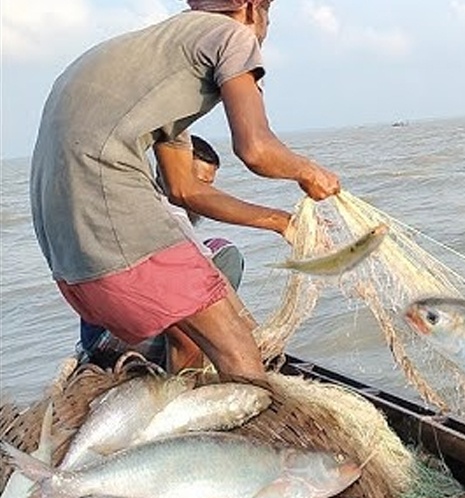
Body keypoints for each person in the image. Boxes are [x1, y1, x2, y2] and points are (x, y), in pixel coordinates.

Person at [30, 0, 340, 385]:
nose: (263, 32)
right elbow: (256, 149)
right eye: (268, 16)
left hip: (66, 249)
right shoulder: (231, 35)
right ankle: (245, 437)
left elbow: (184, 189)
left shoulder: (161, 57)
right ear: (250, 7)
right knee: (237, 347)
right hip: (109, 215)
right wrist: (309, 172)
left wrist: (283, 223)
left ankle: (183, 414)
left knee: (189, 336)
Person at [77, 135, 264, 371]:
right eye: (197, 184)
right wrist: (251, 335)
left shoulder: (168, 209)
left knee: (225, 251)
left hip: (137, 311)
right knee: (189, 308)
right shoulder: (157, 211)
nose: (203, 194)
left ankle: (201, 343)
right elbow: (211, 276)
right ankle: (182, 380)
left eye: (208, 185)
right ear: (168, 174)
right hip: (108, 339)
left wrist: (252, 333)